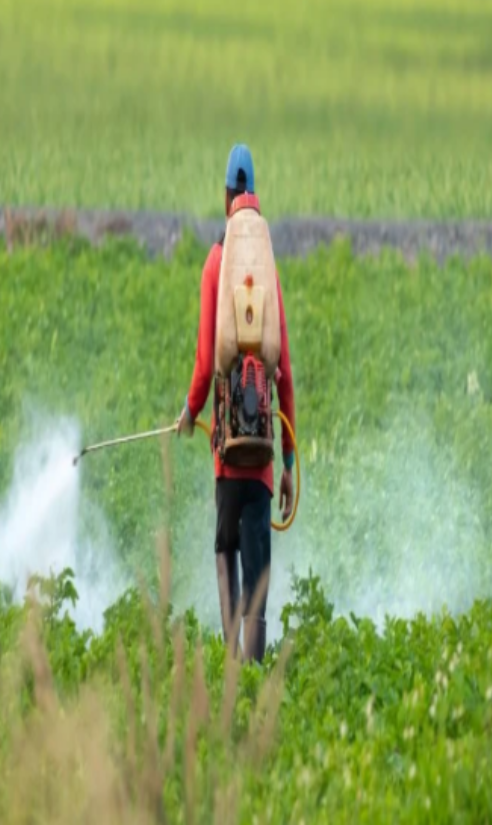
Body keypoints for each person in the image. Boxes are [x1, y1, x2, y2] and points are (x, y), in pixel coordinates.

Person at [176, 143, 296, 663]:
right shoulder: (266, 264)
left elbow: (206, 362)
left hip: (228, 451)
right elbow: (284, 372)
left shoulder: (216, 263)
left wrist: (190, 411)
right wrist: (289, 465)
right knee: (259, 576)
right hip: (264, 457)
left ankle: (232, 676)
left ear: (226, 195)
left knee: (225, 552)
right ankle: (254, 667)